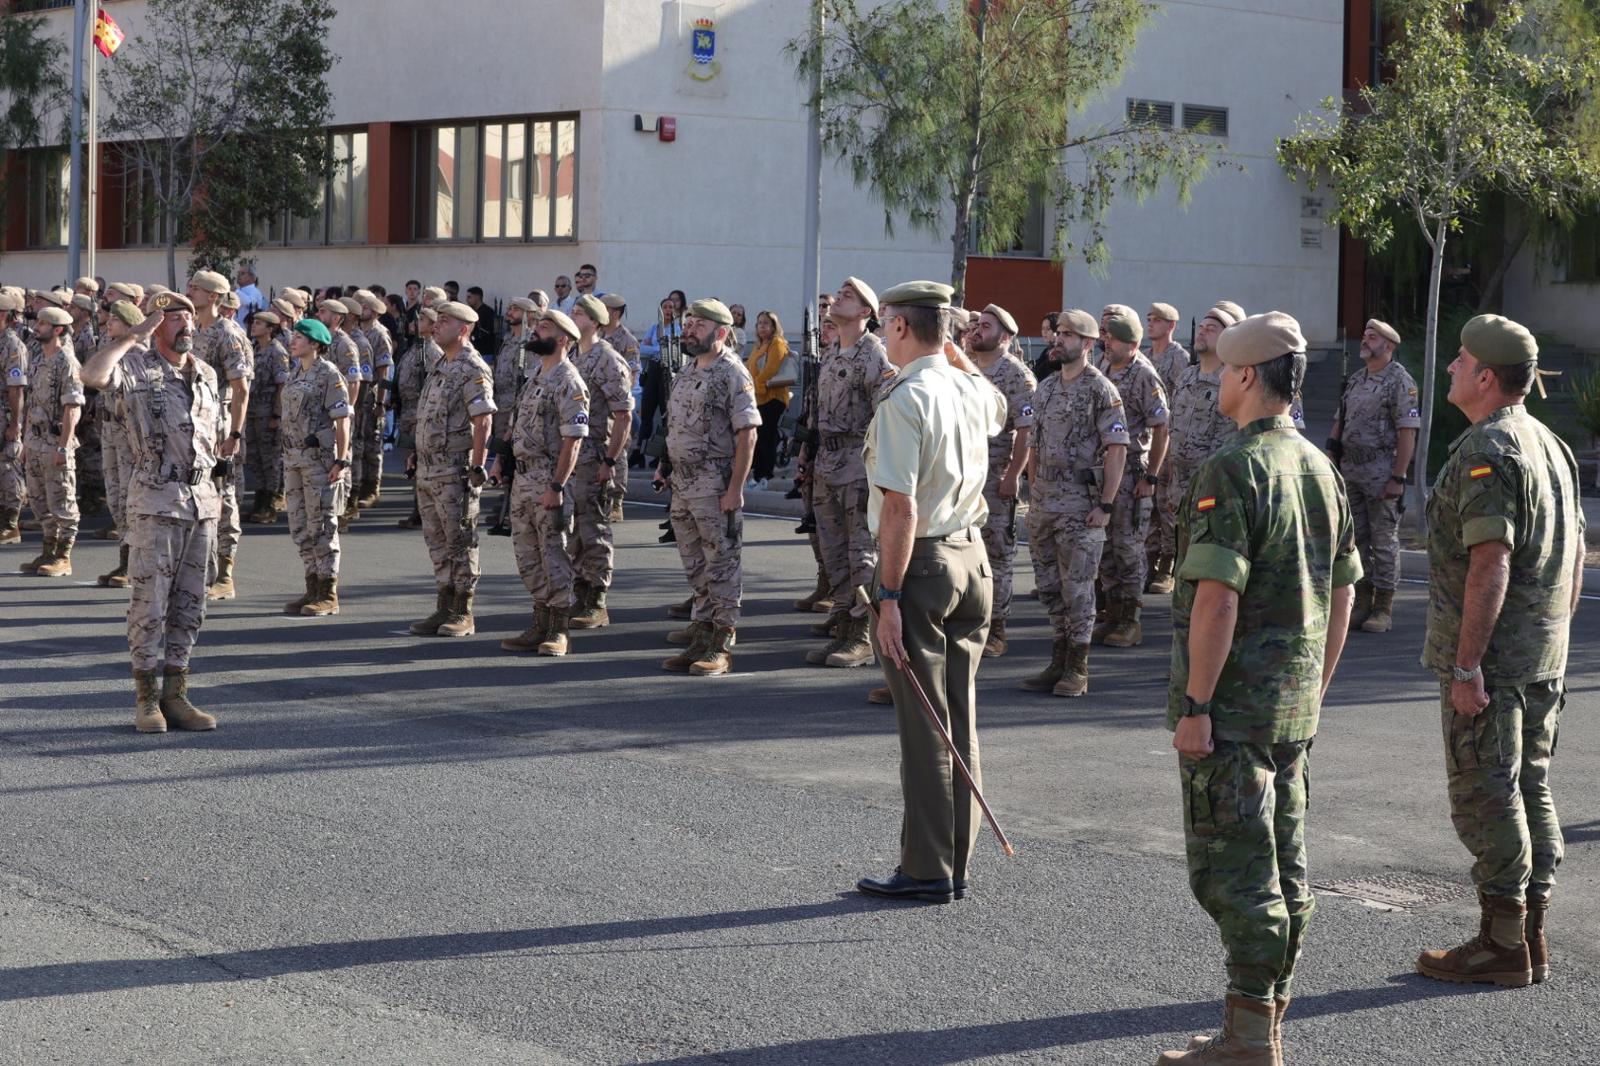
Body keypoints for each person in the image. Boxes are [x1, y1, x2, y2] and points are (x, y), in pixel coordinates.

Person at [1160, 311, 1358, 1066]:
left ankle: (1248, 1044)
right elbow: (1344, 592)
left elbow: (1217, 598)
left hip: (1235, 711)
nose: (1213, 378)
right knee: (1286, 870)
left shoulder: (1234, 468)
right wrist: (1316, 686)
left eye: (1218, 367)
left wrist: (1197, 707)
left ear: (1248, 376)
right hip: (1290, 707)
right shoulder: (1318, 466)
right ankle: (1260, 1028)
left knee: (1237, 875)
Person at [1415, 314, 1584, 991]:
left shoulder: (1490, 448)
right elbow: (1572, 560)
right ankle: (1529, 933)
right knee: (1530, 786)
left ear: (1486, 376)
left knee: (1485, 794)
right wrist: (1551, 636)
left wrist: (1467, 666)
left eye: (1459, 359)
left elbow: (1492, 560)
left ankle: (1503, 943)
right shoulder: (1549, 442)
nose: (1451, 366)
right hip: (1540, 659)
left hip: (1496, 665)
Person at [855, 280, 1005, 904]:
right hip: (973, 560)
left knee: (924, 726)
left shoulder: (906, 397)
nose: (881, 332)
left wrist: (887, 597)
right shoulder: (969, 386)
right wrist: (952, 345)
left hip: (921, 566)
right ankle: (956, 859)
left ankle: (927, 868)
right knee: (958, 718)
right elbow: (996, 405)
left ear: (897, 328)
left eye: (885, 322)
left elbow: (900, 507)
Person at [81, 291, 224, 734]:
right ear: (156, 327)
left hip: (201, 502)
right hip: (155, 501)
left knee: (190, 604)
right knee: (149, 604)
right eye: (174, 319)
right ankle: (146, 700)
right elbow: (91, 374)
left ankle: (175, 694)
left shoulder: (207, 373)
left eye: (189, 318)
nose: (186, 326)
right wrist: (133, 337)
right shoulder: (135, 368)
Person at [1022, 309, 1128, 698]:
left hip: (1080, 506)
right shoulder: (1046, 388)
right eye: (1058, 333)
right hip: (1045, 504)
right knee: (1049, 586)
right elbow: (1033, 447)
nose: (1058, 340)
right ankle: (1058, 657)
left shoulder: (1102, 390)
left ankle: (1078, 667)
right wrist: (1033, 495)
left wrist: (1106, 505)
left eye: (1067, 335)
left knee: (1079, 588)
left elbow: (1117, 449)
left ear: (1087, 343)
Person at [656, 298, 760, 676]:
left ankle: (721, 644)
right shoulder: (686, 371)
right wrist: (664, 467)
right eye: (688, 323)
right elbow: (676, 426)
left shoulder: (732, 373)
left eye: (698, 324)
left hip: (715, 483)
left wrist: (735, 490)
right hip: (683, 483)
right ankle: (700, 636)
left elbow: (747, 435)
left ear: (720, 333)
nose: (688, 329)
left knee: (722, 564)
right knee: (695, 564)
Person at [806, 277, 895, 670]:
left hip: (859, 465)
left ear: (865, 312)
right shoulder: (831, 353)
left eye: (849, 296)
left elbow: (887, 417)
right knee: (833, 553)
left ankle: (864, 635)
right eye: (838, 293)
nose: (837, 298)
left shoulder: (874, 354)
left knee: (862, 555)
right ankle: (843, 624)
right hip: (826, 464)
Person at [494, 308, 590, 656]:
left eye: (544, 328)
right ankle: (539, 619)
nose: (535, 332)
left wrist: (557, 486)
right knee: (527, 555)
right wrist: (501, 460)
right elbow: (516, 425)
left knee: (554, 554)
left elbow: (573, 440)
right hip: (523, 477)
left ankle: (558, 628)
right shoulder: (535, 375)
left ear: (562, 339)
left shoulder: (569, 381)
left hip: (548, 479)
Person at [406, 301, 496, 638]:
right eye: (437, 320)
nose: (436, 326)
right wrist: (417, 452)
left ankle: (463, 611)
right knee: (437, 542)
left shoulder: (471, 367)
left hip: (454, 470)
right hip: (430, 469)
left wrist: (477, 465)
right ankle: (444, 604)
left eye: (444, 321)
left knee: (460, 541)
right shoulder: (441, 363)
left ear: (463, 329)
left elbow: (483, 419)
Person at [1327, 319, 1419, 633]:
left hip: (1382, 473)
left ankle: (1384, 606)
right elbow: (1340, 422)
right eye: (1365, 335)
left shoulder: (1399, 381)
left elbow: (1408, 431)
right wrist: (1331, 458)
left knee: (1383, 541)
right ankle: (1363, 600)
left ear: (1388, 346)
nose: (1365, 341)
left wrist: (1399, 476)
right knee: (1355, 539)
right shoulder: (1355, 380)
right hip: (1351, 469)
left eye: (1372, 337)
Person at [1151, 306, 1240, 595]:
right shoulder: (1186, 378)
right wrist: (1171, 485)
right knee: (1186, 571)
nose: (1202, 331)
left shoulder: (1235, 381)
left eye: (1212, 328)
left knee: (1210, 577)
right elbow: (1174, 432)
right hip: (1182, 493)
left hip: (1214, 495)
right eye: (1201, 326)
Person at [1094, 307, 1169, 647]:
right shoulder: (1104, 367)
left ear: (1133, 343)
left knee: (1128, 549)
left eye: (1113, 339)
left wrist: (1151, 478)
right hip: (1106, 472)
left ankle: (1131, 620)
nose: (1106, 343)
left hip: (1133, 472)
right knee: (1106, 548)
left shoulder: (1144, 375)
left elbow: (1162, 427)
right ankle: (1111, 614)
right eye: (1106, 337)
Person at [967, 304, 1035, 658]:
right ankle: (969, 620)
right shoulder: (967, 367)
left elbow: (1026, 431)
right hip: (965, 476)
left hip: (995, 477)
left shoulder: (1016, 375)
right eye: (978, 324)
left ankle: (997, 628)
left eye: (987, 326)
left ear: (1005, 337)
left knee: (997, 554)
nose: (978, 329)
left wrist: (1013, 475)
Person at [566, 293, 633, 629]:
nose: (573, 317)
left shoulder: (607, 359)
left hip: (594, 456)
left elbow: (623, 416)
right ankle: (579, 591)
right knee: (574, 531)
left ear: (595, 321)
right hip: (571, 458)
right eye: (572, 312)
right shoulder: (570, 357)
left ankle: (597, 600)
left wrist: (610, 460)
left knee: (595, 529)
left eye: (579, 313)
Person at [278, 318, 352, 618]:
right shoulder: (297, 372)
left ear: (315, 343)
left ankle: (328, 592)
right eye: (293, 336)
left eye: (299, 337)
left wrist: (342, 459)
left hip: (319, 462)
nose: (293, 341)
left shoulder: (328, 374)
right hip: (294, 460)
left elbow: (342, 419)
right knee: (300, 525)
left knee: (322, 524)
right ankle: (311, 586)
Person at [187, 271, 252, 602]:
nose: (189, 291)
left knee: (224, 496)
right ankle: (203, 566)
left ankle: (225, 573)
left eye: (196, 288)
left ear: (214, 296)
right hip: (196, 423)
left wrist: (235, 433)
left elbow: (241, 389)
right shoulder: (195, 330)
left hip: (221, 424)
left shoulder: (228, 334)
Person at [18, 306, 83, 577]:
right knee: (39, 500)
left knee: (62, 501)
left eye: (43, 324)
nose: (37, 327)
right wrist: (24, 440)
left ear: (57, 330)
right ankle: (48, 550)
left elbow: (72, 408)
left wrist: (63, 446)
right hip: (34, 441)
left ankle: (63, 557)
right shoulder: (37, 358)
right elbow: (30, 401)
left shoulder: (66, 361)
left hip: (55, 441)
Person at [94, 300, 146, 589]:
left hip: (129, 436)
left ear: (128, 324)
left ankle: (135, 563)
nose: (108, 323)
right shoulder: (113, 349)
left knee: (130, 498)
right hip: (110, 430)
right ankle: (125, 559)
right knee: (115, 497)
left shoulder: (139, 355)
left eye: (114, 319)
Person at [487, 296, 539, 537]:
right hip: (502, 407)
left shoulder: (532, 343)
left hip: (521, 409)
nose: (510, 312)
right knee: (501, 456)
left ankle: (514, 511)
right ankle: (505, 504)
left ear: (529, 314)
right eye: (509, 308)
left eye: (515, 308)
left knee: (515, 459)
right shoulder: (508, 341)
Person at [392, 305, 442, 529]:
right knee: (412, 463)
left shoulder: (431, 351)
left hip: (421, 414)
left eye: (423, 319)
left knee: (421, 464)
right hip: (407, 413)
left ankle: (422, 511)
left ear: (433, 326)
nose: (416, 322)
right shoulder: (414, 348)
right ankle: (418, 509)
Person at [243, 311, 291, 525]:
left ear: (271, 329)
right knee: (254, 457)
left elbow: (282, 385)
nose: (254, 326)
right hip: (252, 411)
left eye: (260, 323)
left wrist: (277, 414)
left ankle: (269, 504)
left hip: (267, 411)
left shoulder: (276, 351)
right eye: (254, 322)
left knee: (270, 459)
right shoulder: (254, 349)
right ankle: (259, 500)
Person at [352, 290, 394, 510]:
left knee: (372, 444)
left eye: (365, 307)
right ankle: (358, 485)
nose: (361, 310)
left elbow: (384, 371)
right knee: (359, 443)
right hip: (360, 396)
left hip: (372, 396)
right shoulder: (358, 331)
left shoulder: (379, 333)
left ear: (375, 311)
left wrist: (381, 402)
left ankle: (372, 487)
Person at [745, 310, 791, 488]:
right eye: (759, 323)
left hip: (772, 397)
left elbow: (771, 370)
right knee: (757, 437)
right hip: (757, 398)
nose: (762, 326)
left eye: (766, 323)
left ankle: (765, 475)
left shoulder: (777, 343)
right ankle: (758, 473)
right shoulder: (758, 346)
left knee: (766, 436)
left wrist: (754, 386)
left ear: (773, 326)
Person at [0, 289, 30, 546]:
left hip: (5, 412)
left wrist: (15, 424)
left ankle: (10, 524)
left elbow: (16, 388)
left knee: (9, 466)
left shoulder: (12, 345)